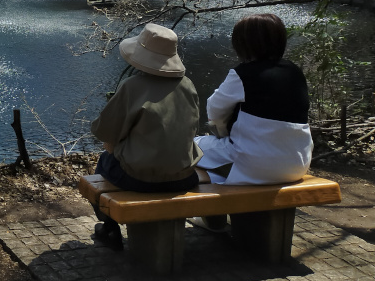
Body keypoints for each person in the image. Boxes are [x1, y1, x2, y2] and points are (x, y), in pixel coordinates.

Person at [90, 23, 202, 249]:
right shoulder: (187, 85)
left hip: (139, 178)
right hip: (184, 176)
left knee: (104, 163)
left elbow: (103, 130)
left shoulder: (132, 86)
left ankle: (110, 228)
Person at [195, 13, 312, 185]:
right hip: (297, 165)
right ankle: (218, 180)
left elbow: (214, 110)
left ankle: (210, 184)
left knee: (190, 148)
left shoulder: (243, 74)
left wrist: (223, 131)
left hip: (258, 166)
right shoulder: (295, 72)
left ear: (243, 44)